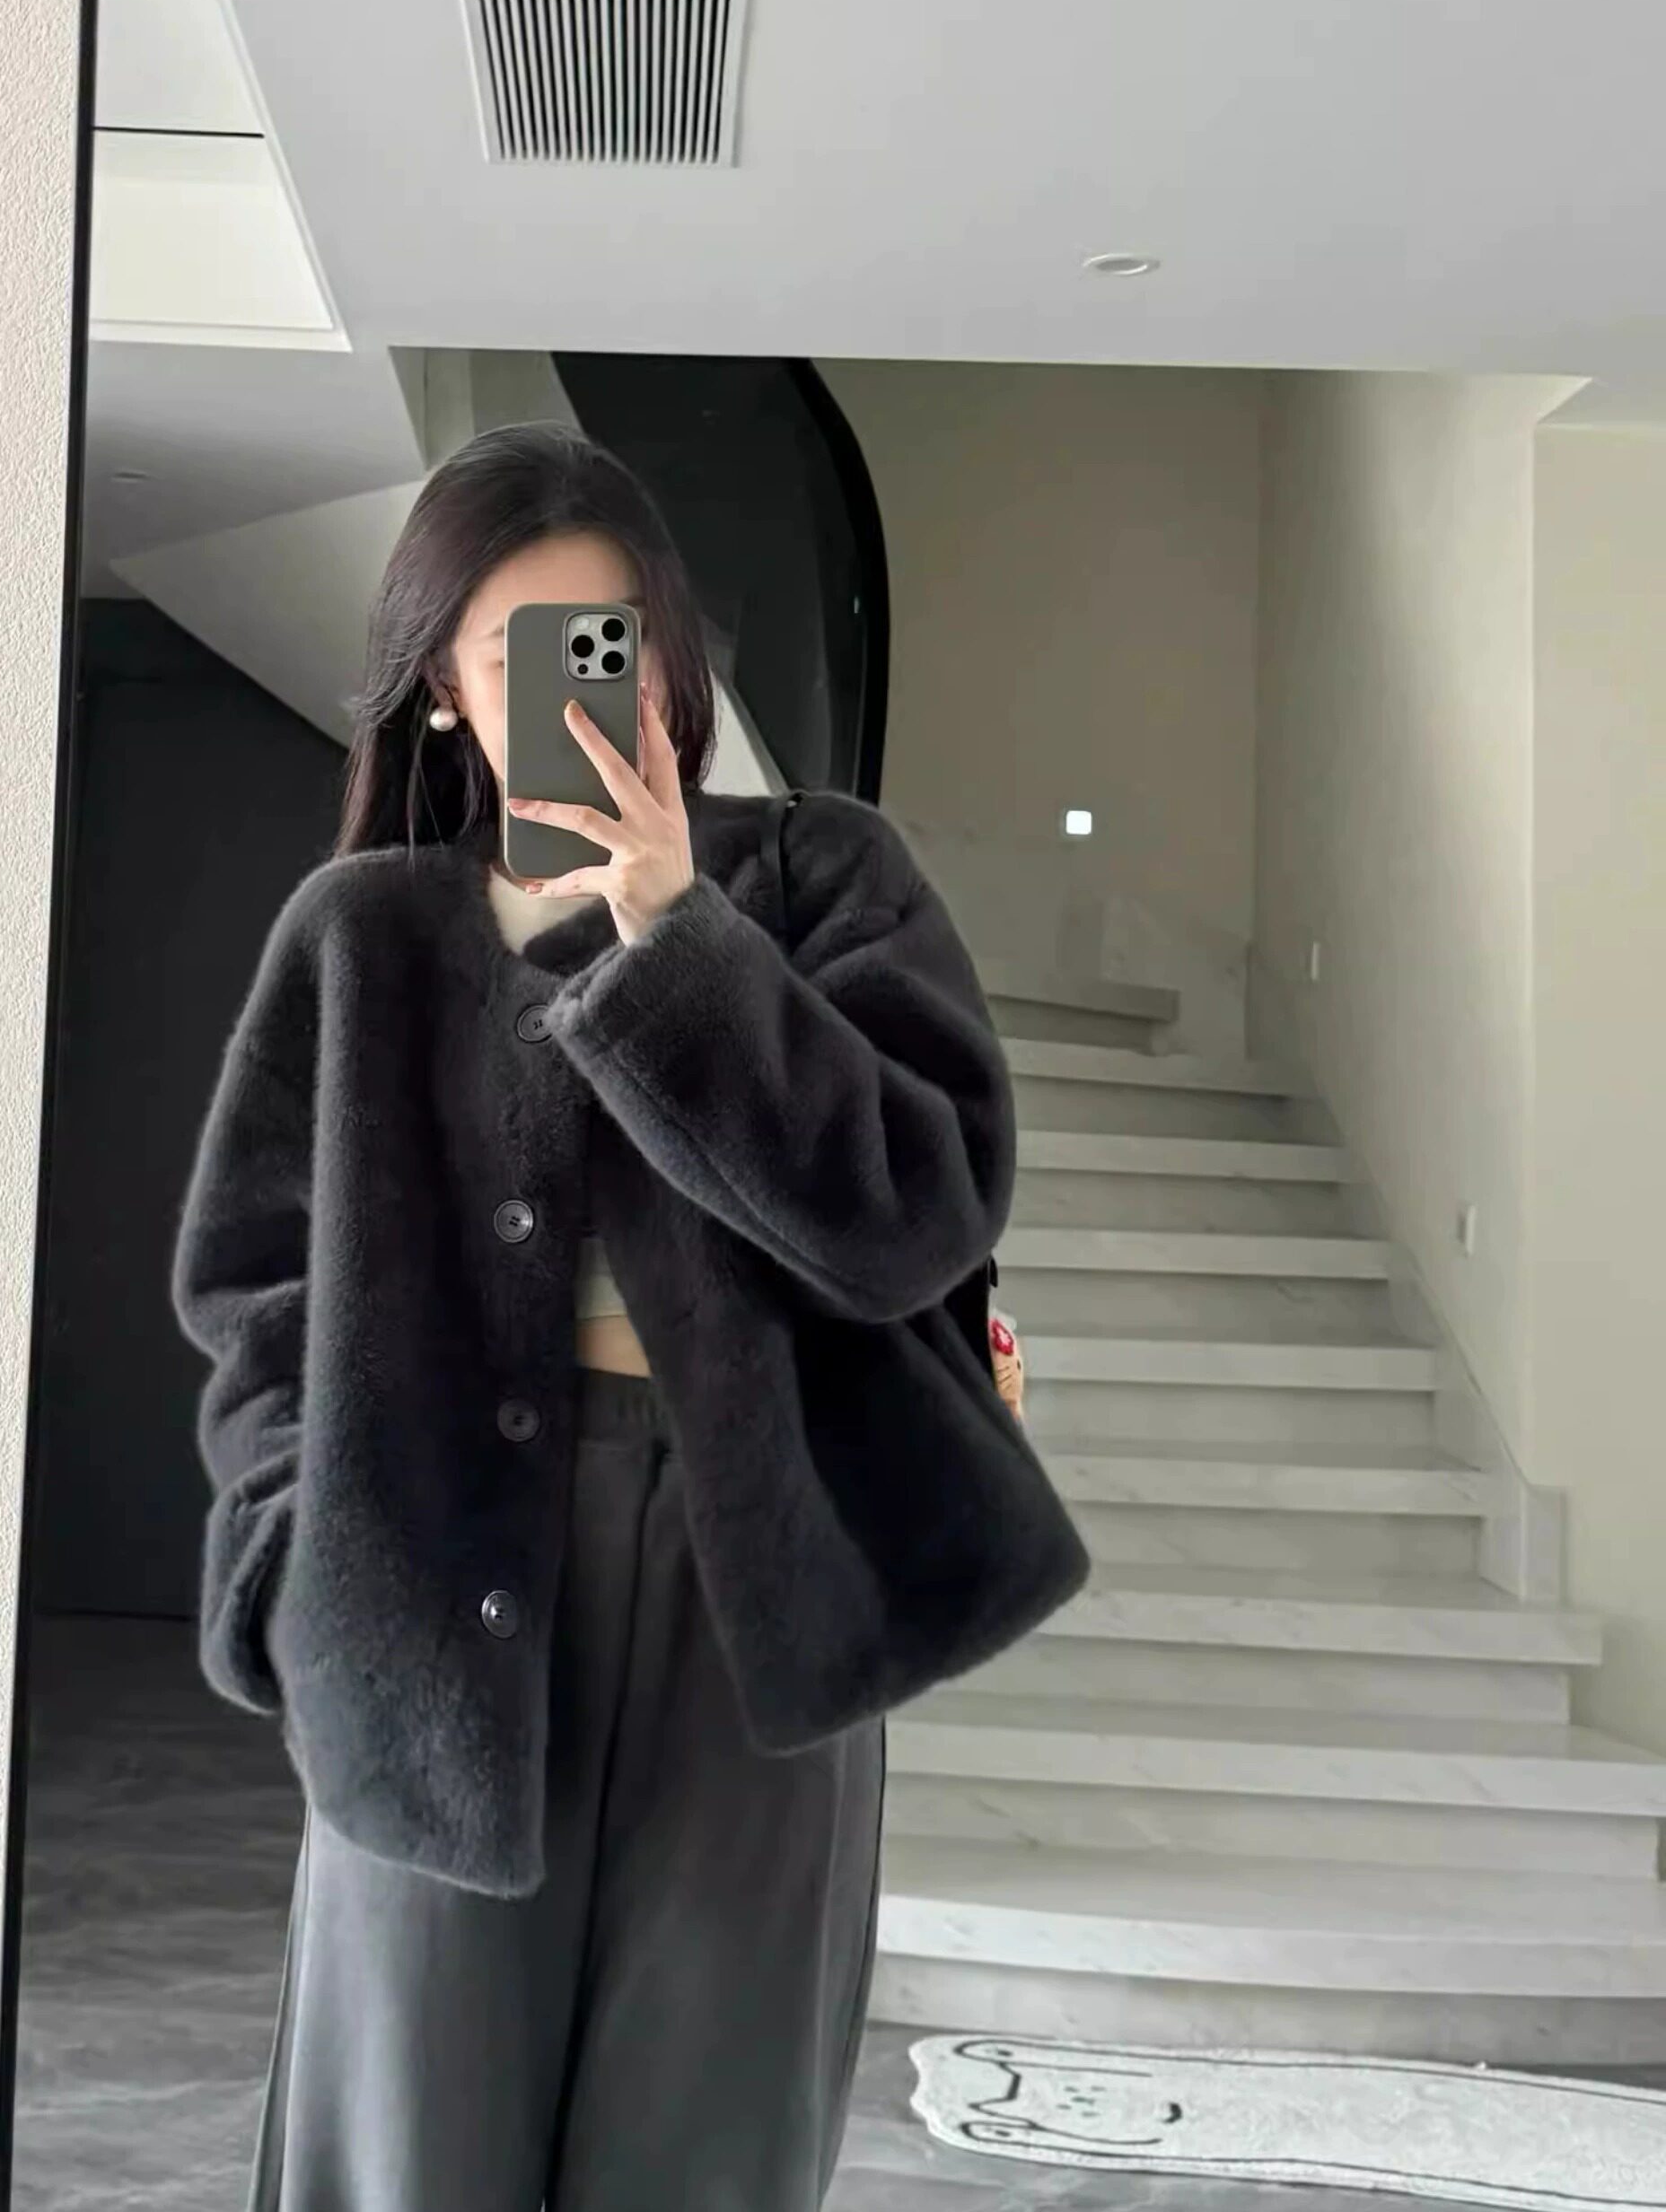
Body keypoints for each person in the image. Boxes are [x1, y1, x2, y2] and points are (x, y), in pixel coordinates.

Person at [170, 423, 1086, 2212]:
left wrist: (676, 932)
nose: (580, 691)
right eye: (520, 652)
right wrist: (290, 1575)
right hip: (420, 1592)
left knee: (705, 2146)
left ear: (669, 658)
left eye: (612, 642)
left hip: (759, 1580)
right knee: (402, 2151)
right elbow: (255, 1289)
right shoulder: (362, 936)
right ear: (445, 687)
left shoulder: (823, 880)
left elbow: (916, 1209)